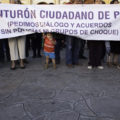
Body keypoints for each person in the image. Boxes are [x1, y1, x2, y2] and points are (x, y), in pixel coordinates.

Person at [87, 0, 105, 70]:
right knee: (92, 49)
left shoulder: (105, 10)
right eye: (97, 1)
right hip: (92, 33)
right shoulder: (90, 9)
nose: (98, 2)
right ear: (94, 3)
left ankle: (98, 63)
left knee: (99, 49)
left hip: (100, 33)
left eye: (100, 1)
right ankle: (91, 63)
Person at [8, 0, 26, 70]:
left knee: (22, 46)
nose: (13, 1)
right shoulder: (6, 8)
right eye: (11, 0)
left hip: (21, 30)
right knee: (12, 47)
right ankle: (13, 62)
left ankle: (21, 62)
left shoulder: (23, 7)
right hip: (10, 30)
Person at [109, 0, 120, 69]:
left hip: (118, 33)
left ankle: (115, 61)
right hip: (112, 33)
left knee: (118, 48)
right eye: (115, 2)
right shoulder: (109, 11)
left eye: (117, 2)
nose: (116, 3)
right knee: (111, 47)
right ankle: (109, 61)